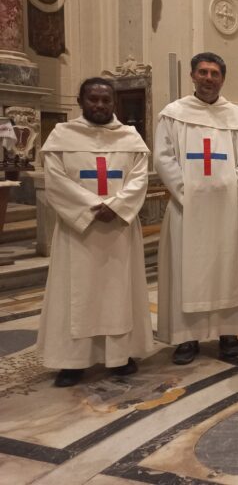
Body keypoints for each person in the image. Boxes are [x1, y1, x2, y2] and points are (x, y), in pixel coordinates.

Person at [37, 77, 152, 386]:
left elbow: (139, 179)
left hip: (118, 229)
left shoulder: (130, 139)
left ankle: (120, 356)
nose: (99, 105)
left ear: (114, 103)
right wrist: (92, 207)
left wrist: (116, 206)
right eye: (93, 99)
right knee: (76, 294)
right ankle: (72, 362)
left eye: (105, 100)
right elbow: (56, 180)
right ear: (80, 100)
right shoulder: (62, 136)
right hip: (79, 232)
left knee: (120, 292)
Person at [155, 52, 238, 365]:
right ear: (192, 75)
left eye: (214, 73)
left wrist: (232, 190)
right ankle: (187, 337)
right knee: (187, 268)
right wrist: (187, 192)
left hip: (230, 207)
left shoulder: (237, 117)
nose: (209, 78)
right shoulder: (173, 114)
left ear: (222, 78)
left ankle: (229, 332)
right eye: (203, 72)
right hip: (187, 208)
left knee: (230, 266)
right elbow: (163, 157)